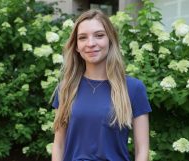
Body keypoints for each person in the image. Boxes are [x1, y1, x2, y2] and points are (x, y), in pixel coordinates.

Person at [51, 9, 152, 161]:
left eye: (99, 35)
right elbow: (58, 145)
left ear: (110, 40)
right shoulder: (66, 88)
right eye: (83, 38)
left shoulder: (133, 88)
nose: (91, 43)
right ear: (77, 46)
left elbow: (142, 150)